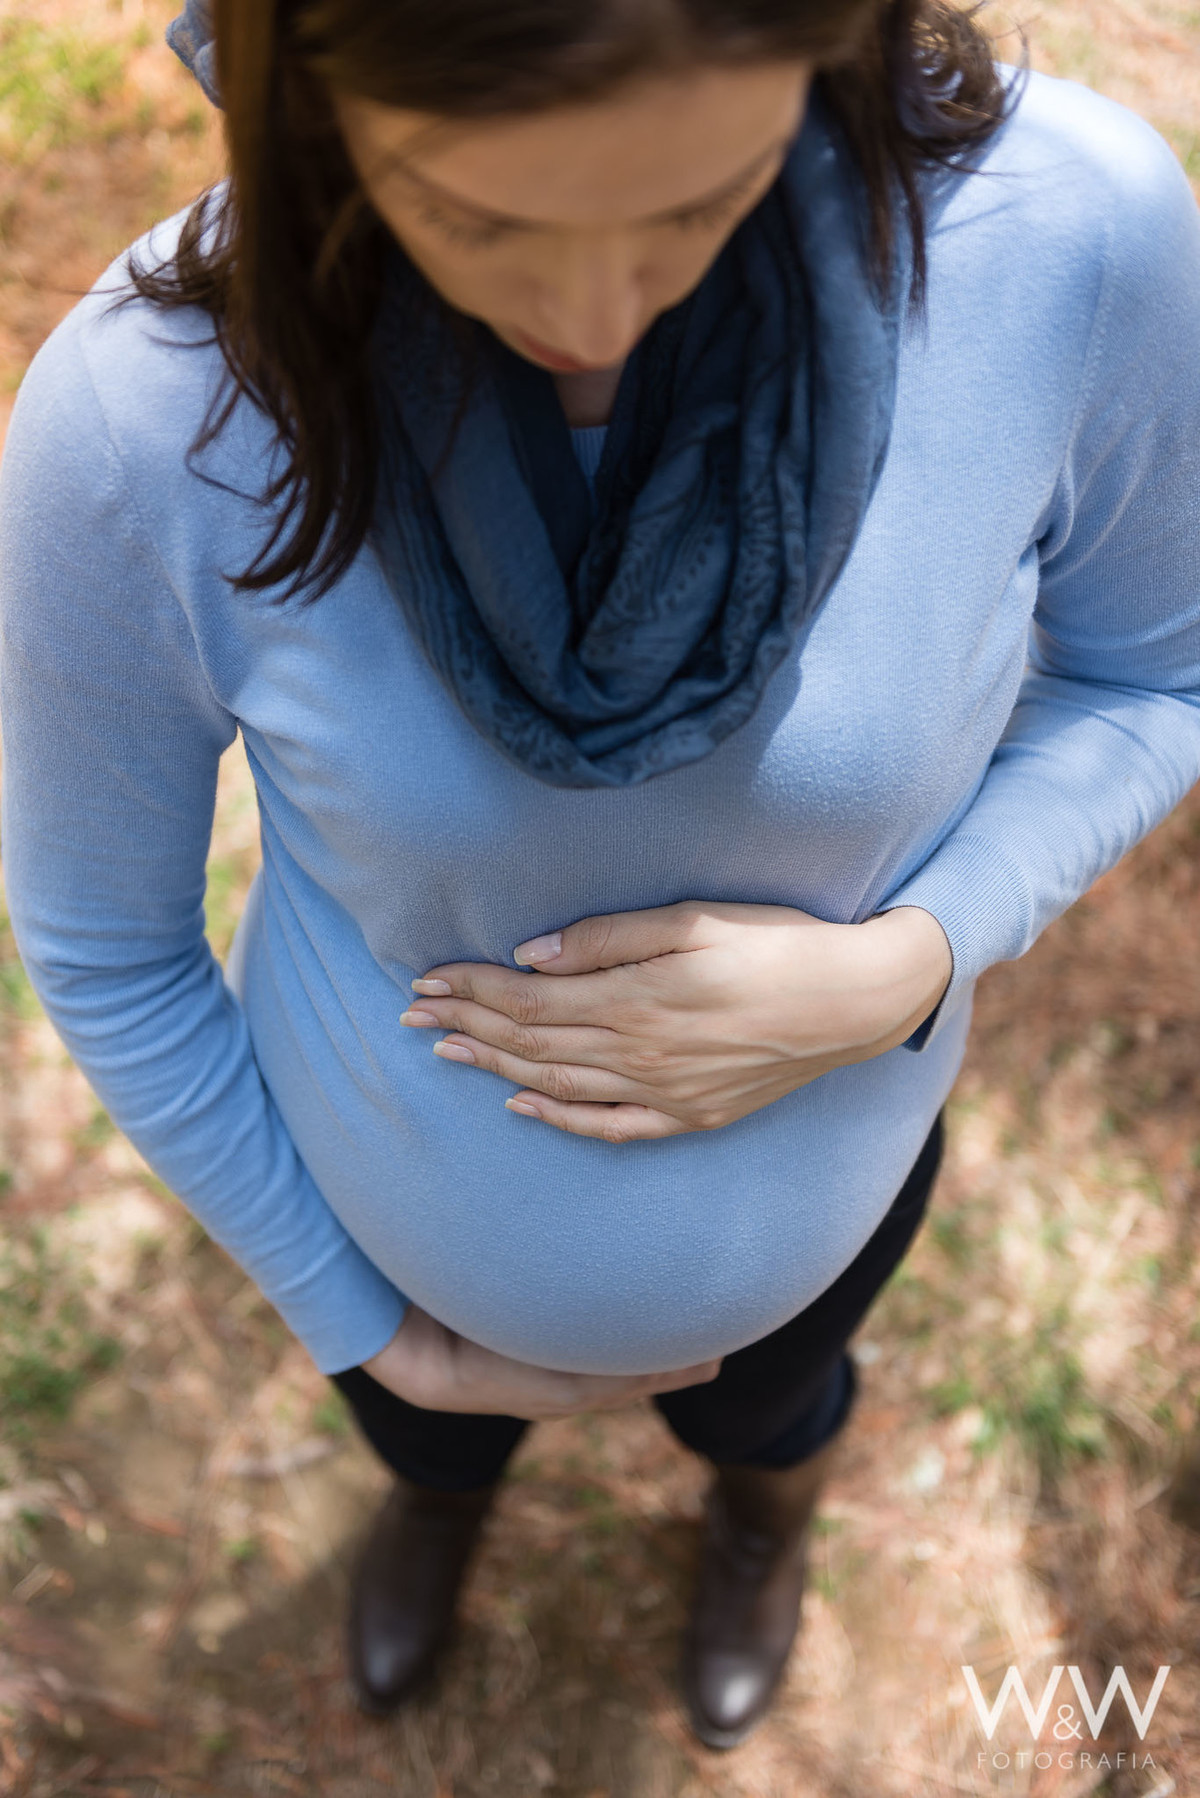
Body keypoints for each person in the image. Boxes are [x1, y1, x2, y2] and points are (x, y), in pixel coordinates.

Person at [2, 0, 1198, 1755]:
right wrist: (361, 1323)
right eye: (474, 218)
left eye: (690, 202)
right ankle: (435, 1487)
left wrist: (910, 964)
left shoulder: (1067, 240)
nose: (589, 317)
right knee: (434, 1434)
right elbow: (107, 941)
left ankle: (759, 1515)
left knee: (777, 1409)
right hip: (380, 1243)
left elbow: (1157, 672)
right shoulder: (148, 419)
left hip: (838, 1198)